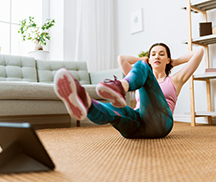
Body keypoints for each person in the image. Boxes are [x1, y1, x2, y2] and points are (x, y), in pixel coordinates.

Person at [53, 43, 204, 138]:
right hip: (136, 125)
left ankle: (120, 87)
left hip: (161, 124)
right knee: (116, 111)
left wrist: (174, 61)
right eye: (153, 54)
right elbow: (122, 58)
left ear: (168, 59)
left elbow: (199, 52)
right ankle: (86, 103)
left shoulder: (176, 79)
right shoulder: (140, 73)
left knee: (142, 68)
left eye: (161, 54)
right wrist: (147, 60)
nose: (157, 56)